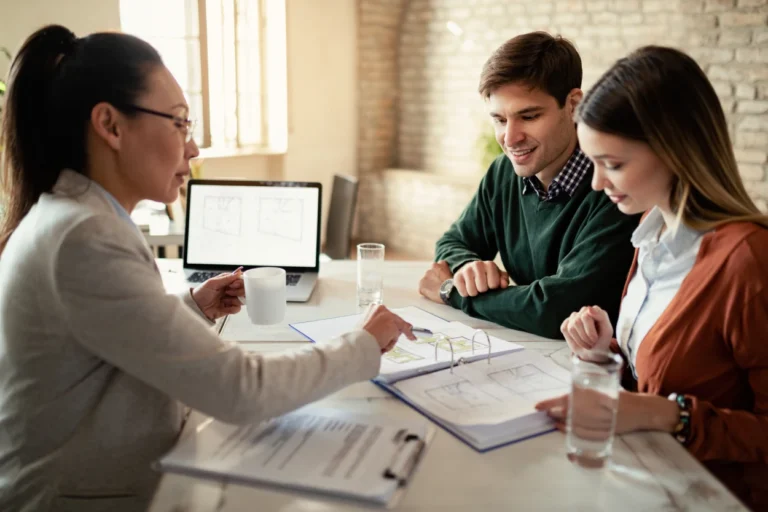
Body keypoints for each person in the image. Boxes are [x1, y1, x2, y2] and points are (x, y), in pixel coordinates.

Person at [0, 25, 415, 512]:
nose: (192, 148)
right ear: (110, 126)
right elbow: (241, 390)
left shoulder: (77, 216)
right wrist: (363, 343)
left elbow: (104, 343)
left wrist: (189, 307)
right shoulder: (84, 236)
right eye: (179, 123)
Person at [534, 46, 768, 510]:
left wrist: (669, 415)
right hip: (649, 477)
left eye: (613, 164)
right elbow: (678, 372)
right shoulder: (651, 237)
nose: (597, 184)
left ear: (676, 149)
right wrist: (609, 354)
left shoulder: (747, 261)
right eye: (592, 161)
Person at [418, 32, 639, 339]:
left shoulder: (614, 189)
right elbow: (453, 243)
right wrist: (469, 268)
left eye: (529, 116)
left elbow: (557, 309)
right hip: (524, 354)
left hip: (587, 366)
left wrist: (452, 292)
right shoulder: (503, 173)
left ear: (573, 104)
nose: (510, 139)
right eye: (499, 119)